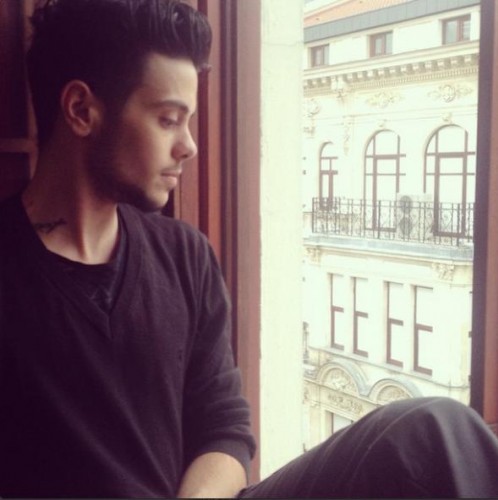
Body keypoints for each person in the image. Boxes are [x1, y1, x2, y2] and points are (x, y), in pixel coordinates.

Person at [0, 0, 498, 498]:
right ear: (81, 110)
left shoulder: (184, 256)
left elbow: (225, 431)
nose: (189, 145)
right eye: (168, 119)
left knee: (435, 429)